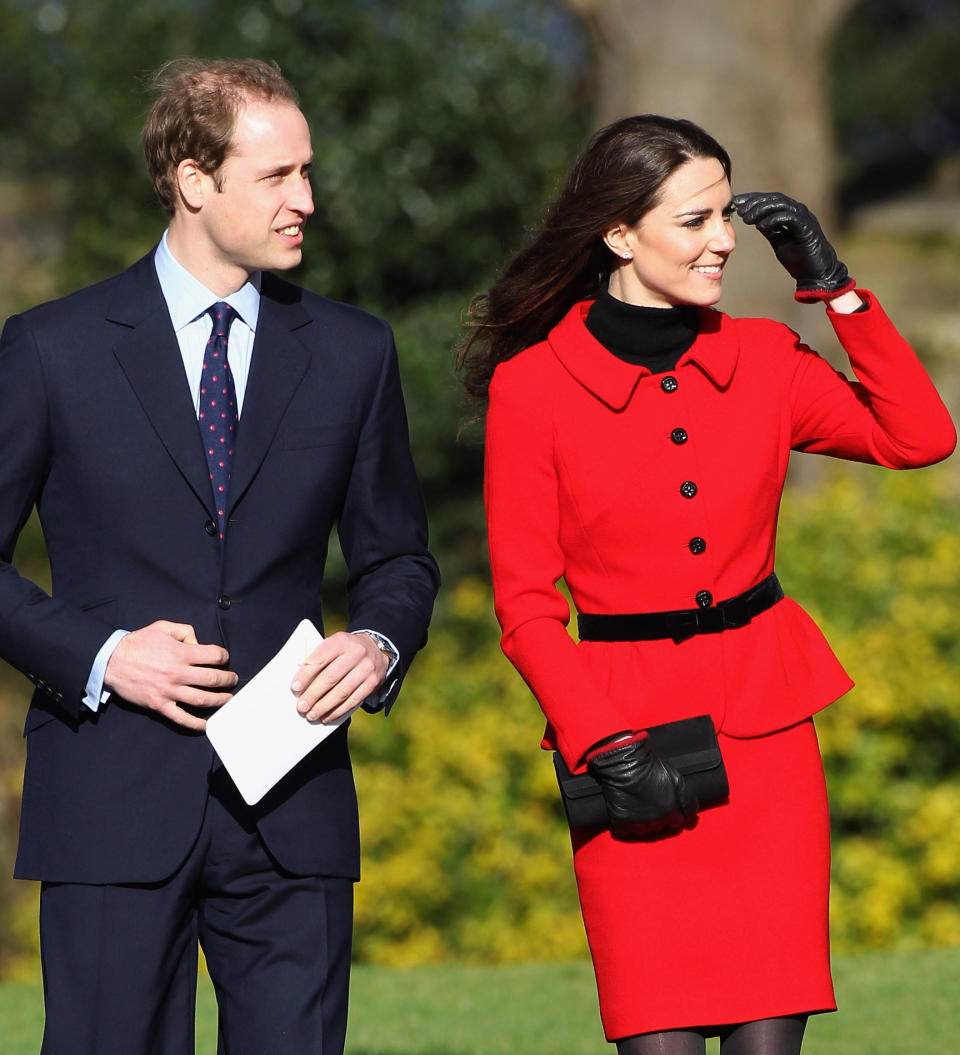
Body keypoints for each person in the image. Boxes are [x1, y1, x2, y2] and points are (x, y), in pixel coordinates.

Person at [458, 115, 955, 1055]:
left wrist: (835, 289)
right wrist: (602, 741)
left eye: (727, 213)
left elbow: (920, 436)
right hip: (627, 739)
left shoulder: (764, 359)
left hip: (767, 731)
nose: (725, 238)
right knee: (660, 1041)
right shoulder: (536, 390)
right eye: (695, 220)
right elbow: (525, 607)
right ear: (619, 234)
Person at [0, 58, 439, 1054]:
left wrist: (377, 640)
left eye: (307, 171)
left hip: (294, 804)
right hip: (109, 799)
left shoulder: (354, 351)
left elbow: (399, 557)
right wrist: (106, 655)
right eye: (278, 176)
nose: (308, 200)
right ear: (195, 180)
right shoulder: (50, 349)